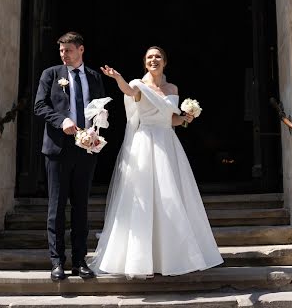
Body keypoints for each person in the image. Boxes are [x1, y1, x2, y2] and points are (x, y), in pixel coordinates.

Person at [89, 46, 223, 278]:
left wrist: (186, 118)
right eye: (150, 57)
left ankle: (173, 256)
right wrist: (117, 77)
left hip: (168, 143)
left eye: (158, 56)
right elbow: (129, 92)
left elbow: (172, 119)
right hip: (146, 142)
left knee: (171, 197)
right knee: (144, 196)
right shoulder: (138, 85)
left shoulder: (172, 88)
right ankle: (141, 259)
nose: (154, 59)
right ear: (144, 63)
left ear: (165, 62)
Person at [34, 31, 105, 281]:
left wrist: (97, 131)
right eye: (61, 51)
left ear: (81, 50)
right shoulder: (51, 74)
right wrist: (61, 119)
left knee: (81, 207)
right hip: (57, 149)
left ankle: (79, 261)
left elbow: (100, 109)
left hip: (86, 150)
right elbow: (40, 105)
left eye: (69, 50)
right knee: (56, 207)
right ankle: (56, 262)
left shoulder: (94, 77)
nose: (64, 55)